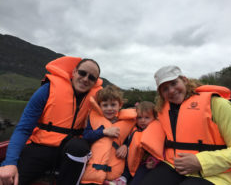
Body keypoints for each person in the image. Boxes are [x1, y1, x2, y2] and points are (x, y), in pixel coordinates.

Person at [0, 56, 103, 185]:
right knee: (9, 180)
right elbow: (23, 129)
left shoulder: (98, 99)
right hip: (41, 147)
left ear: (95, 82)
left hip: (71, 151)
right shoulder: (46, 90)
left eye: (92, 77)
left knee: (79, 147)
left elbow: (114, 118)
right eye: (82, 73)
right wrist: (9, 163)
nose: (86, 79)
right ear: (74, 72)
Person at [139, 65, 231, 185]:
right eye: (165, 89)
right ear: (161, 94)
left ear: (185, 80)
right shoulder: (162, 111)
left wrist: (200, 161)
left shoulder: (218, 104)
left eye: (174, 83)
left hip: (219, 172)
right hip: (174, 166)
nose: (171, 90)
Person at [80, 85, 137, 185]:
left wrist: (126, 146)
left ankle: (120, 179)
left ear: (120, 105)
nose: (109, 108)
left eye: (113, 105)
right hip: (94, 163)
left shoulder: (126, 122)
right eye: (105, 105)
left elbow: (132, 138)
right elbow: (86, 136)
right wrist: (103, 132)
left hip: (115, 166)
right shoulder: (93, 120)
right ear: (99, 106)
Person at [116, 101, 160, 185]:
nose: (142, 121)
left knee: (137, 180)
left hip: (144, 163)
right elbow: (127, 140)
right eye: (139, 117)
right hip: (129, 161)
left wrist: (154, 161)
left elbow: (160, 149)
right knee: (123, 172)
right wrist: (124, 145)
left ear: (154, 118)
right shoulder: (133, 128)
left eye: (147, 118)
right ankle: (121, 180)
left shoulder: (157, 132)